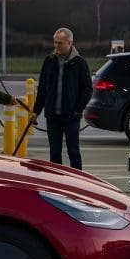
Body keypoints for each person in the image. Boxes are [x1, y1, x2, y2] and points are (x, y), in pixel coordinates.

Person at [30, 27, 92, 170]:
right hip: (53, 117)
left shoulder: (80, 63)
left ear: (69, 43)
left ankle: (79, 183)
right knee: (55, 153)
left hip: (71, 116)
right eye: (55, 43)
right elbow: (43, 89)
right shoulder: (49, 61)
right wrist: (36, 111)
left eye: (60, 43)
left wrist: (78, 109)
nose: (56, 46)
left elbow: (87, 89)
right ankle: (57, 183)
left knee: (73, 152)